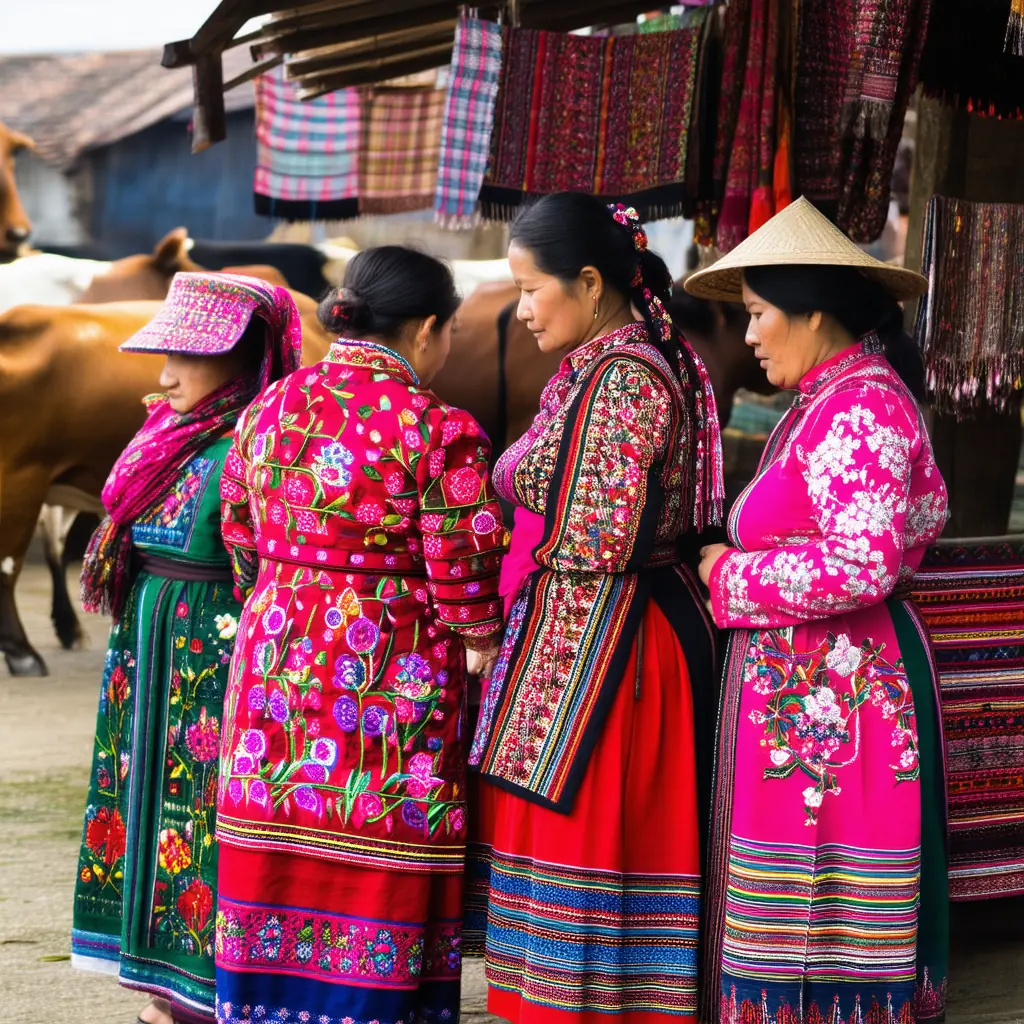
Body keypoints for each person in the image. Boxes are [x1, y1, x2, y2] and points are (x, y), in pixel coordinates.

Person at [214, 246, 507, 1024]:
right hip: (391, 663)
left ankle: (265, 1000)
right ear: (428, 330)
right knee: (382, 810)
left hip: (274, 648)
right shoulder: (438, 426)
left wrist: (278, 600)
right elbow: (463, 555)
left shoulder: (268, 406)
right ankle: (372, 1002)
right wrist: (480, 633)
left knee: (277, 817)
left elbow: (238, 530)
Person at [687, 196, 949, 1024]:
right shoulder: (826, 400)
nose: (751, 333)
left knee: (824, 901)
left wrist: (730, 576)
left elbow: (860, 563)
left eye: (761, 313)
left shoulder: (860, 407)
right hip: (822, 693)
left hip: (848, 701)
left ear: (815, 311)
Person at [467, 192, 725, 1024]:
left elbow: (595, 540)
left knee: (593, 828)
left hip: (614, 649)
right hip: (600, 630)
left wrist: (508, 501)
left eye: (532, 288)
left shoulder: (621, 378)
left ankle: (591, 1002)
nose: (522, 309)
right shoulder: (610, 364)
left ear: (587, 281)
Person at [72, 273, 303, 1024]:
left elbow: (266, 569)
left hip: (215, 656)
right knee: (144, 806)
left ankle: (204, 986)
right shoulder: (165, 435)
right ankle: (157, 981)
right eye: (164, 354)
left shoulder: (256, 446)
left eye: (185, 356)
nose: (164, 374)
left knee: (200, 813)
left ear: (243, 358)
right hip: (147, 651)